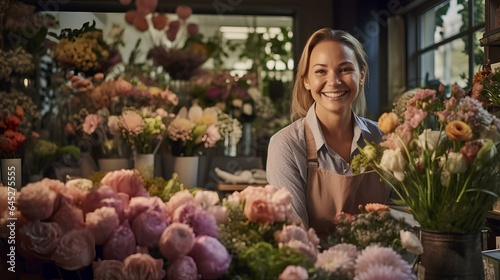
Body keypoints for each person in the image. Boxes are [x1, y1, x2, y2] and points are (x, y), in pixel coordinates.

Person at [266, 28, 391, 236]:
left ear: (361, 75)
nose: (333, 81)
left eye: (344, 69)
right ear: (306, 80)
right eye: (321, 71)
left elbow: (399, 216)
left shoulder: (383, 138)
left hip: (380, 264)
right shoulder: (286, 145)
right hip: (314, 266)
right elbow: (296, 238)